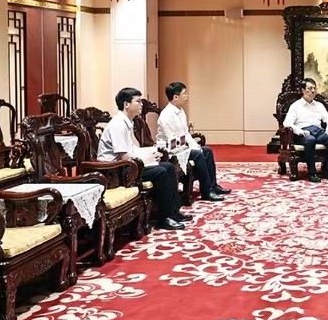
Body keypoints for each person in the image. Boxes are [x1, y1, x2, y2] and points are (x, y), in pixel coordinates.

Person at [97, 87, 192, 231]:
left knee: (168, 166)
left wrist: (152, 152)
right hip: (116, 171)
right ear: (126, 104)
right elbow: (124, 157)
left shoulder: (127, 121)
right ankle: (164, 218)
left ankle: (173, 211)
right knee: (161, 171)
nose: (141, 104)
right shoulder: (118, 124)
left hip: (128, 165)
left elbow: (133, 149)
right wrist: (147, 160)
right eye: (138, 101)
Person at [157, 82, 232, 203]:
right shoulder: (166, 115)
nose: (187, 95)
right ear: (176, 97)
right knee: (197, 154)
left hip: (181, 145)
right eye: (184, 93)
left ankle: (213, 186)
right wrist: (190, 147)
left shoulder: (180, 111)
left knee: (206, 150)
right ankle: (206, 191)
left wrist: (194, 145)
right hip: (170, 149)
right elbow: (173, 139)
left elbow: (185, 133)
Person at [282, 77, 328, 182]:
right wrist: (299, 130)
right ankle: (312, 173)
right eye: (309, 88)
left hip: (318, 131)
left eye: (314, 88)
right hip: (303, 133)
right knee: (310, 140)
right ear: (303, 90)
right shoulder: (296, 106)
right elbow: (287, 123)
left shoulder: (319, 105)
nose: (312, 91)